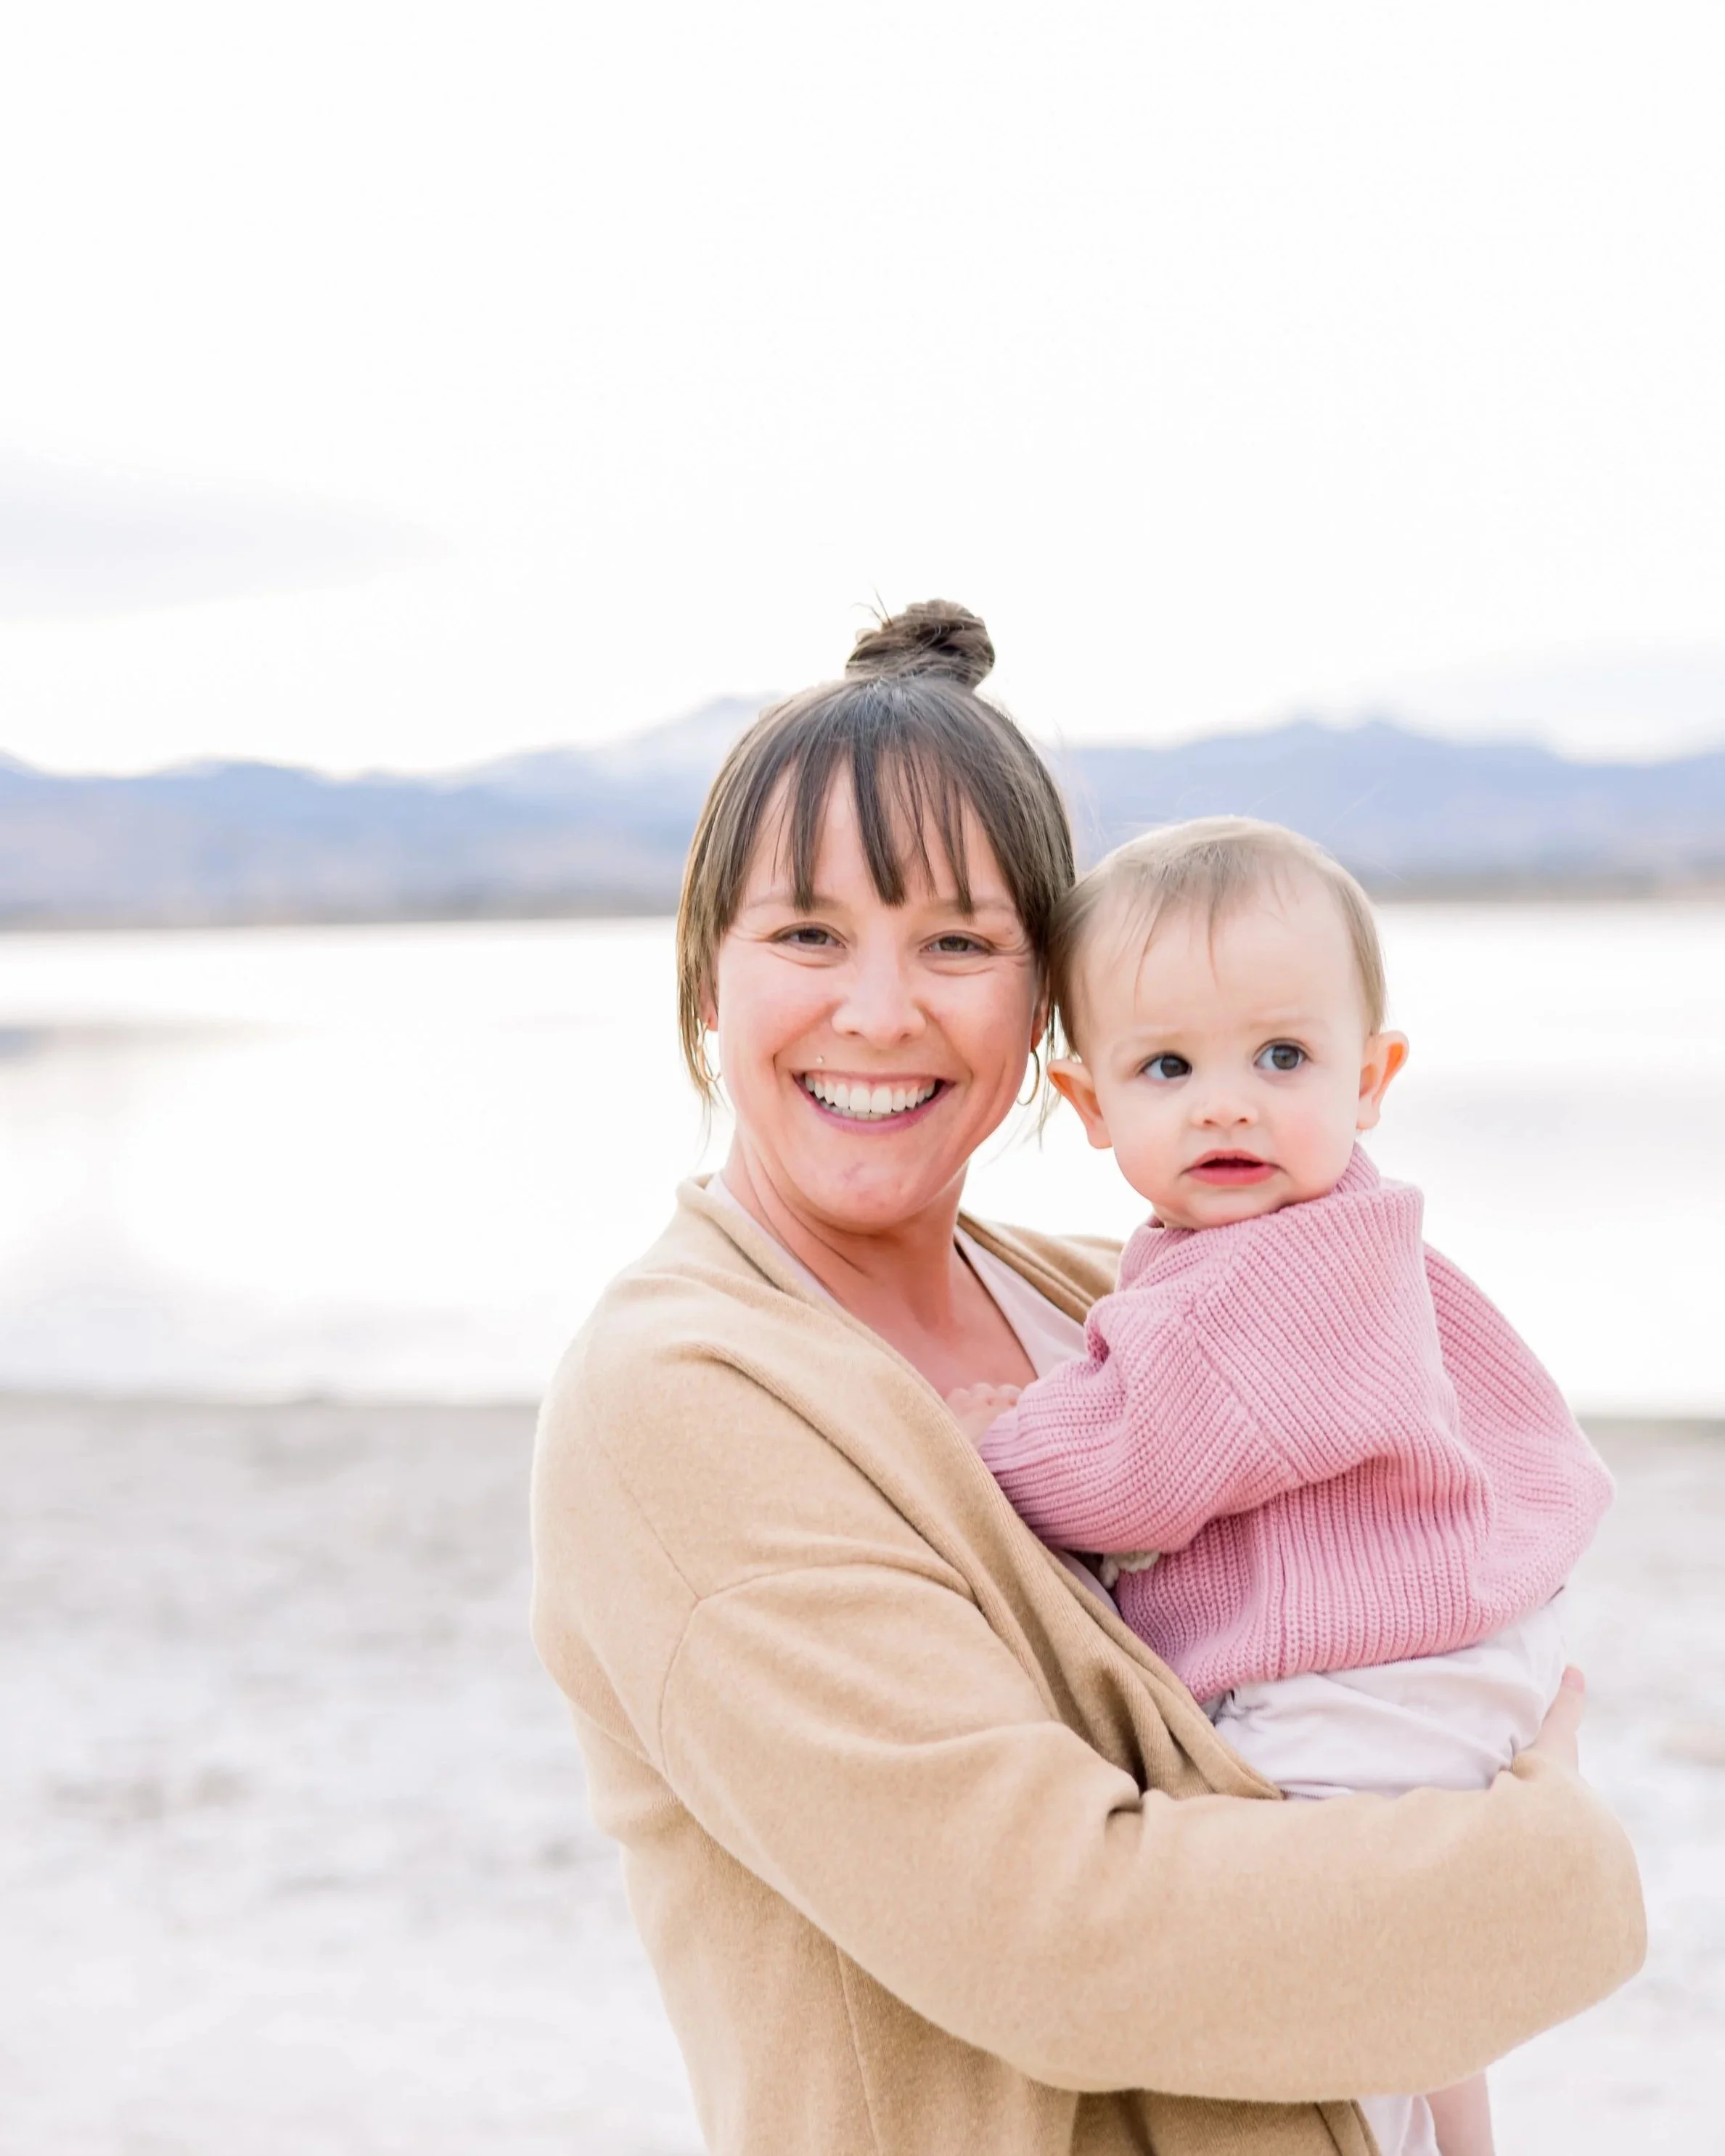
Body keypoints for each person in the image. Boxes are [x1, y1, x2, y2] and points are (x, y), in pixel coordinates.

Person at [530, 601, 1644, 2156]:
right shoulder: (683, 1398)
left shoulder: (1097, 1288)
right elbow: (1057, 1935)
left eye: (960, 943)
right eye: (805, 934)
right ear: (707, 979)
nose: (879, 1008)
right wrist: (1554, 1878)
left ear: (1049, 1004)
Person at [953, 816, 1615, 2156]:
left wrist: (996, 1441)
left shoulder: (1264, 1275)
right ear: (1091, 1104)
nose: (1227, 1101)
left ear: (1372, 1074)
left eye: (1282, 1056)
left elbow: (1133, 1474)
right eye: (1167, 1065)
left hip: (1357, 1684)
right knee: (1428, 1977)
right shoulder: (1355, 1225)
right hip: (1453, 1654)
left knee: (1310, 1951)